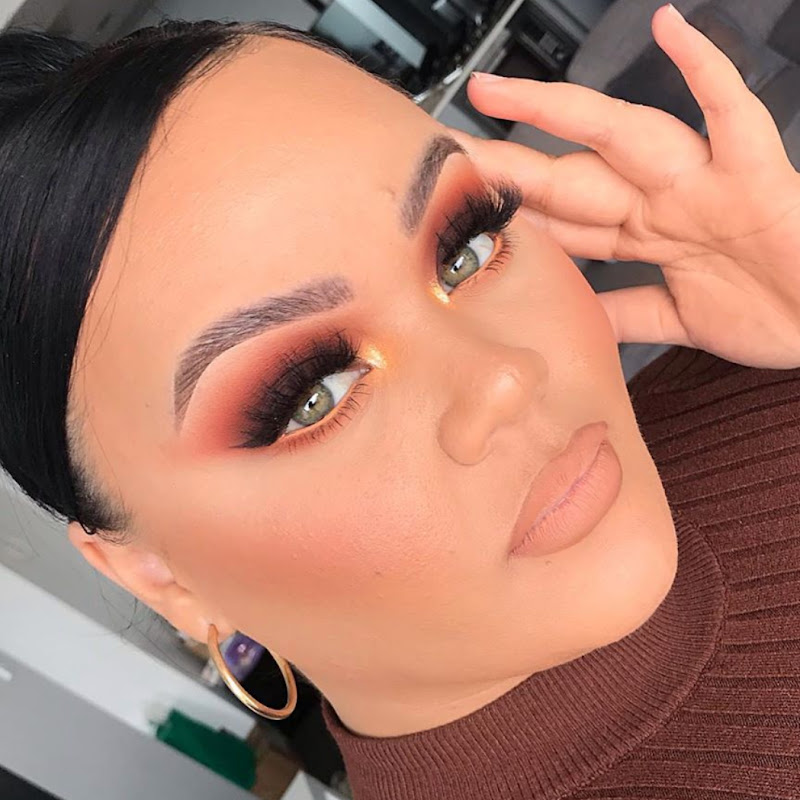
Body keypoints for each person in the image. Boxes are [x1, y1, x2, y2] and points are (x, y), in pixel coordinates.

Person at [0, 5, 798, 799]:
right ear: (161, 578)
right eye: (312, 396)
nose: (504, 377)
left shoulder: (748, 360)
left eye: (465, 247)